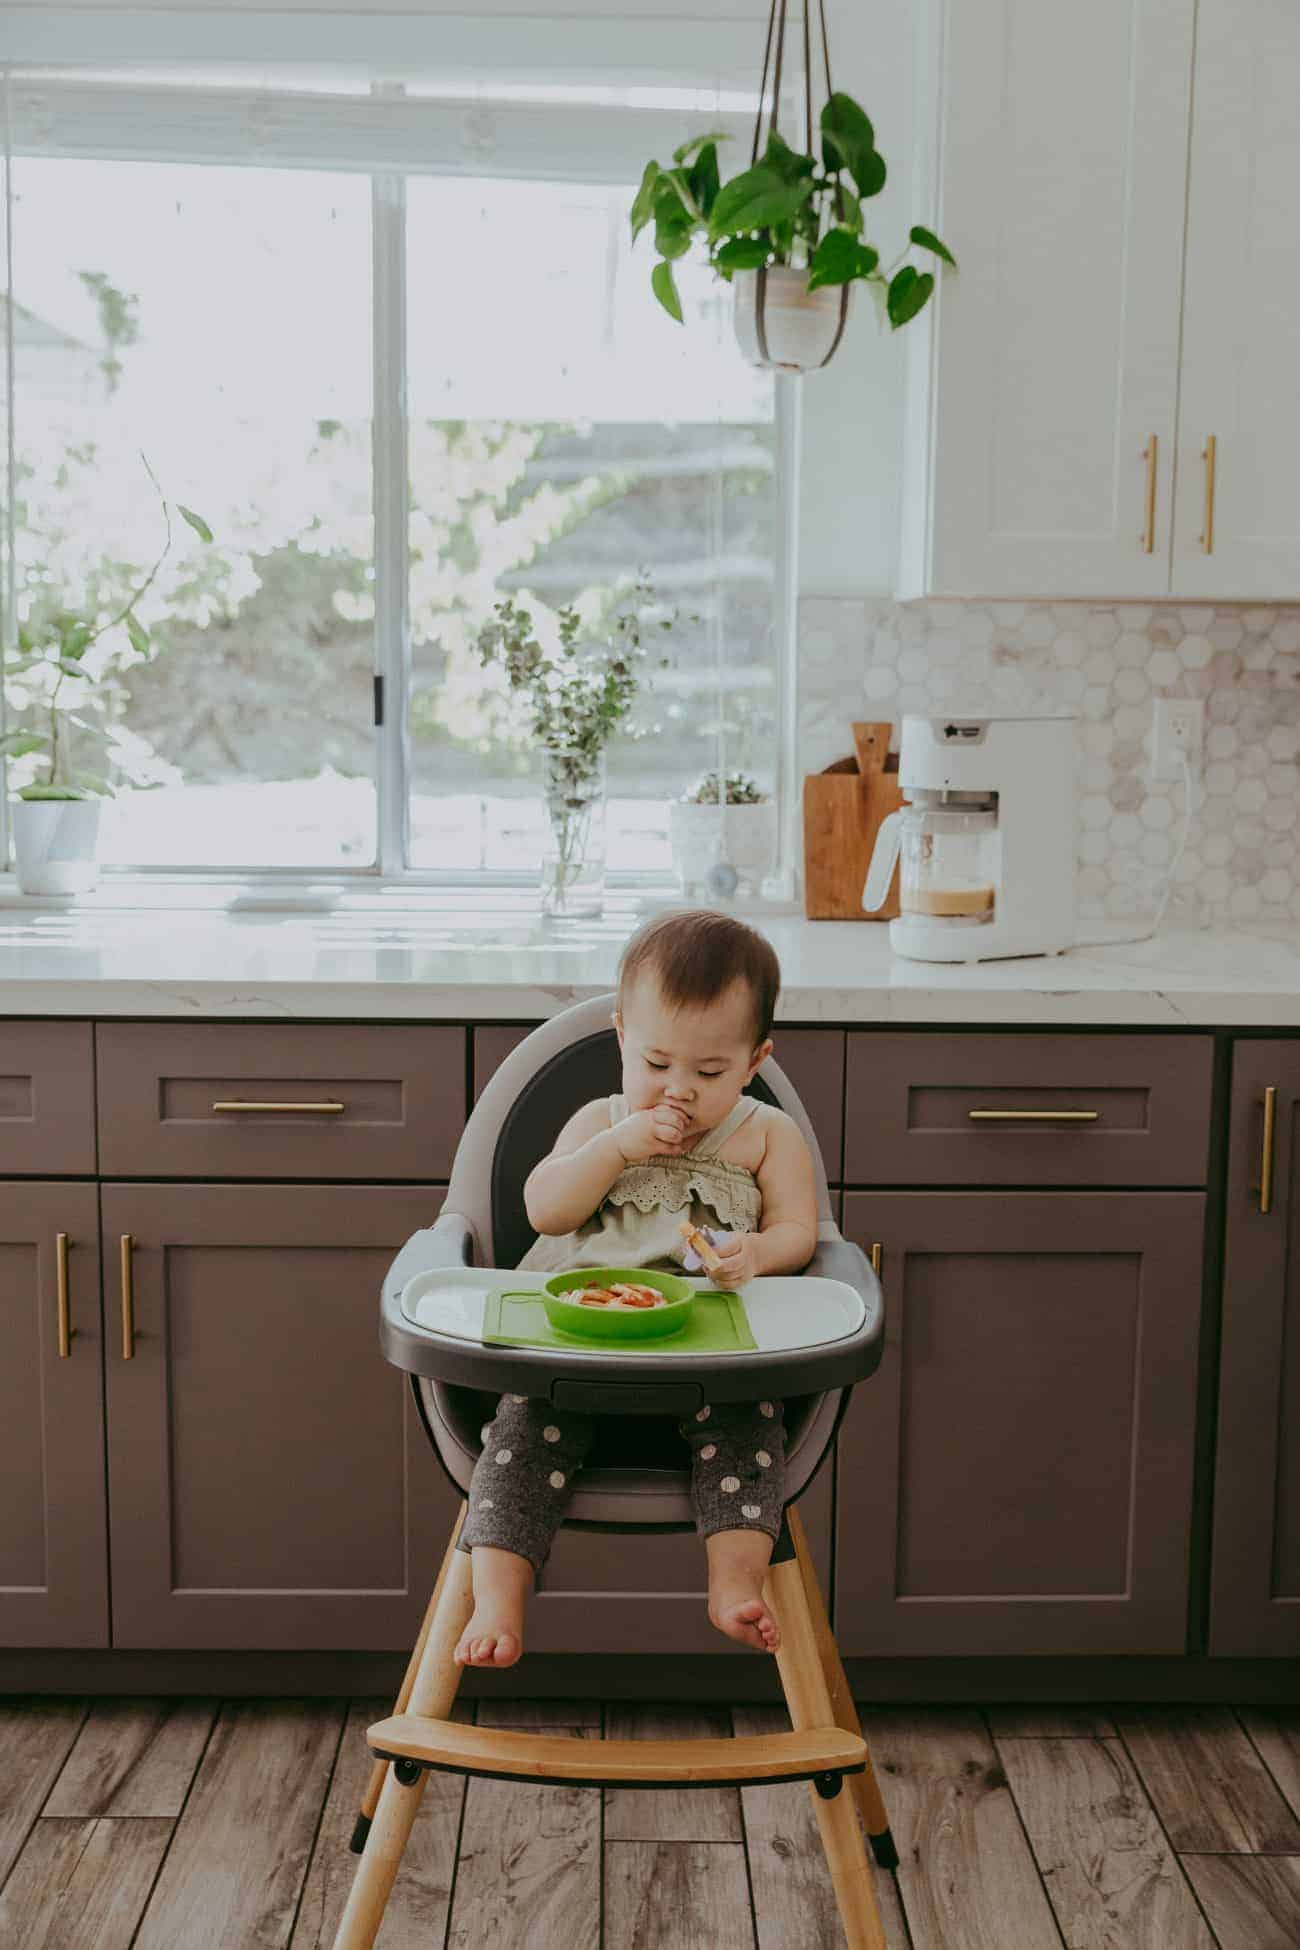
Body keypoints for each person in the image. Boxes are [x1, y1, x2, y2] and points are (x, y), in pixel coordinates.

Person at [453, 908, 819, 1670]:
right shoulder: (600, 1120)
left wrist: (750, 1254)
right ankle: (498, 1598)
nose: (677, 1091)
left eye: (709, 1073)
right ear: (622, 1038)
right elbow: (544, 1209)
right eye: (656, 1064)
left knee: (750, 1441)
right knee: (516, 1443)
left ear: (754, 1061)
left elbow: (800, 1235)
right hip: (578, 1349)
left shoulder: (765, 1136)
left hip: (711, 1355)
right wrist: (615, 1146)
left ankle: (733, 1584)